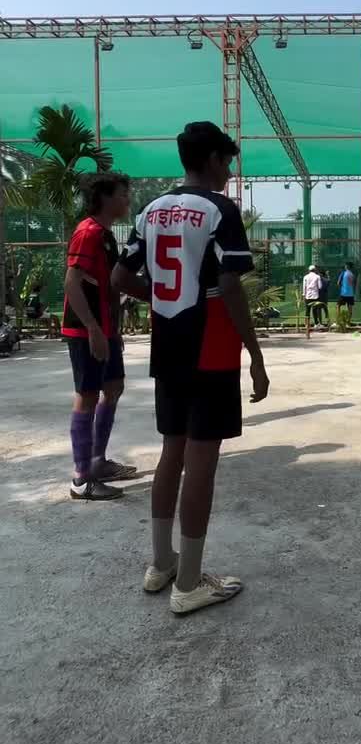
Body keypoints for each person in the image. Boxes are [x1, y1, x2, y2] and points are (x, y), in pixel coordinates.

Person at [112, 121, 269, 616]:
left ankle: (161, 564)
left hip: (169, 343)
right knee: (202, 462)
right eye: (229, 162)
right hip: (212, 344)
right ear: (214, 160)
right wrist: (255, 354)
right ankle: (189, 583)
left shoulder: (151, 210)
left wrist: (163, 295)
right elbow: (232, 285)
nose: (230, 172)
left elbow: (120, 278)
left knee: (172, 453)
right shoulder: (220, 209)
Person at [62, 172, 136, 502]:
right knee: (88, 395)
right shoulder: (88, 232)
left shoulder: (105, 235)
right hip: (85, 330)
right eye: (122, 194)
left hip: (105, 330)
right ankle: (81, 479)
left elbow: (109, 286)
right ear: (105, 197)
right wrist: (93, 329)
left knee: (114, 387)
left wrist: (113, 331)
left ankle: (97, 461)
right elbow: (71, 282)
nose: (127, 199)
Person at [302, 264, 323, 337]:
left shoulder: (305, 277)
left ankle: (306, 324)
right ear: (315, 270)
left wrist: (304, 295)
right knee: (315, 310)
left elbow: (304, 287)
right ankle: (316, 323)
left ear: (309, 270)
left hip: (308, 295)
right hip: (315, 295)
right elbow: (320, 287)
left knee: (307, 310)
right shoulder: (317, 277)